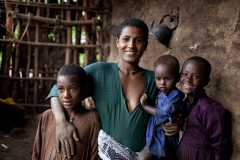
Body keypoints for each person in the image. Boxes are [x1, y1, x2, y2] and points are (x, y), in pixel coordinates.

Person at [46, 18, 181, 160]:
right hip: (105, 155)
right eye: (126, 39)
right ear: (117, 42)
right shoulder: (98, 71)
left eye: (138, 40)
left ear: (146, 45)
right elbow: (57, 90)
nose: (131, 45)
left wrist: (177, 121)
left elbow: (173, 106)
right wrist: (61, 122)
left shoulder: (155, 80)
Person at [32, 64, 101, 160]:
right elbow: (36, 153)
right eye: (61, 89)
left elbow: (94, 157)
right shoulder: (47, 116)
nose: (66, 95)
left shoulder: (92, 120)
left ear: (84, 89)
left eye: (72, 88)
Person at [175, 56, 228, 160]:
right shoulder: (185, 104)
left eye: (196, 76)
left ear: (206, 82)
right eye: (185, 74)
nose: (188, 79)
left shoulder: (209, 107)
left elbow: (220, 144)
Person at [137, 55, 185, 160]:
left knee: (143, 157)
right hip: (157, 133)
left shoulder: (175, 95)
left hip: (164, 135)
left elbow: (164, 114)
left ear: (177, 78)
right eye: (158, 79)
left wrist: (145, 106)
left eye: (167, 78)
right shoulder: (162, 92)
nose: (162, 83)